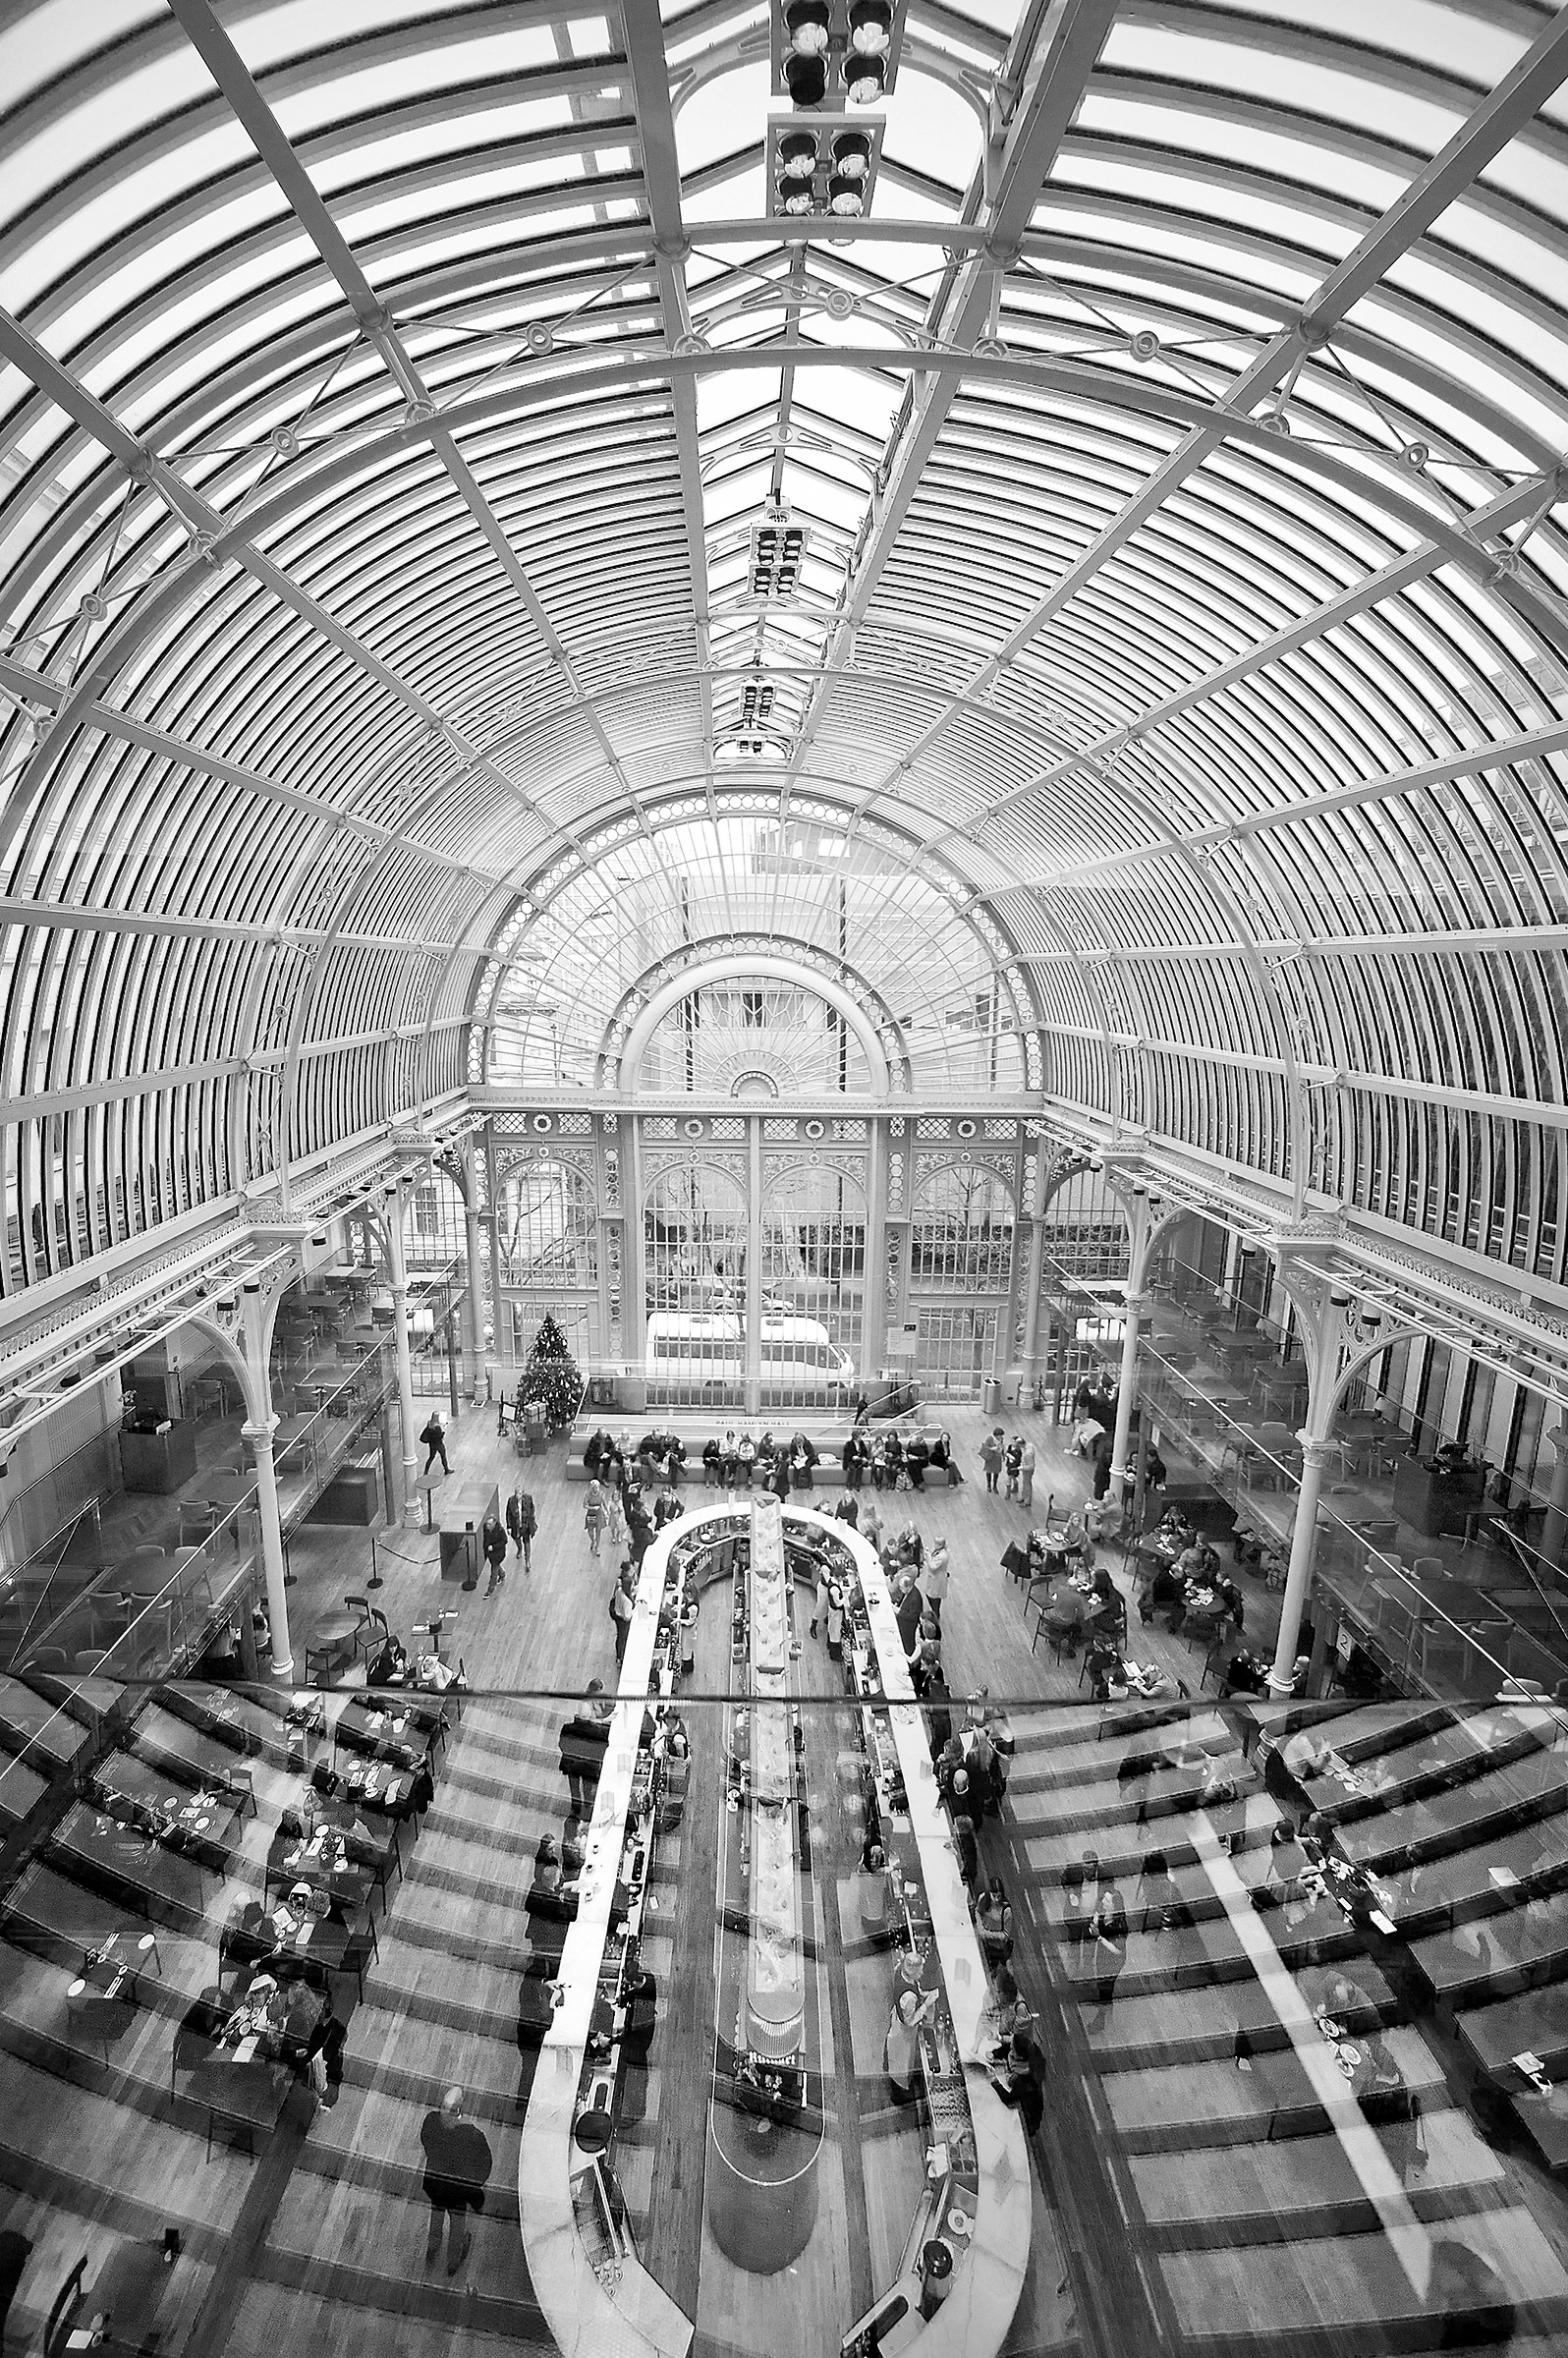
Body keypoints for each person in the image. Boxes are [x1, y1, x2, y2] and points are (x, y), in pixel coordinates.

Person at [420, 2086, 492, 2274]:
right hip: (457, 2191)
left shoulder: (431, 2121)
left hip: (435, 2184)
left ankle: (433, 2245)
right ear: (460, 2110)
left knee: (436, 2214)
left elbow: (426, 2142)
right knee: (457, 2226)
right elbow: (484, 2166)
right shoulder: (473, 2136)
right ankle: (453, 2262)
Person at [561, 1679, 612, 1817]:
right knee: (585, 1787)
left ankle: (578, 1808)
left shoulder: (568, 1729)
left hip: (573, 1763)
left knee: (577, 1787)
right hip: (583, 1764)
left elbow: (562, 1744)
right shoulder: (592, 1732)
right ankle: (585, 1808)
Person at [884, 1987, 936, 2104]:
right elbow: (909, 2021)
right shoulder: (909, 1998)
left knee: (898, 2066)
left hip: (898, 2032)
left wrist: (923, 1993)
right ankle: (898, 2097)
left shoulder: (905, 1977)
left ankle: (899, 2089)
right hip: (902, 2037)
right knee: (900, 2068)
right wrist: (925, 2005)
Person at [1089, 1883, 1127, 2006]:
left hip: (1113, 1961)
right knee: (1100, 1976)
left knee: (1106, 1984)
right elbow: (1096, 1924)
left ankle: (1105, 2005)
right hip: (1103, 1954)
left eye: (1107, 1900)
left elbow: (1118, 1950)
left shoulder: (1119, 1927)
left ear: (1114, 1907)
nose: (1103, 1901)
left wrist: (1099, 1937)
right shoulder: (1104, 1912)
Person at [506, 1480, 537, 1573]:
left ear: (523, 1493)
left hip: (525, 1525)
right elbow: (508, 1513)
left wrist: (530, 1519)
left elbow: (532, 1508)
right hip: (516, 1525)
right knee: (517, 1539)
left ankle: (527, 1560)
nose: (517, 1495)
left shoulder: (528, 1499)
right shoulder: (511, 1501)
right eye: (516, 1493)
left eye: (519, 1493)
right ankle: (519, 1548)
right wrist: (509, 1526)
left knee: (527, 1542)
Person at [609, 1564, 635, 1664]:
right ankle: (620, 1656)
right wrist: (634, 1611)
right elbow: (627, 1617)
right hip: (622, 1619)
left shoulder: (620, 1590)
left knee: (620, 1636)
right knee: (622, 1636)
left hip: (616, 1613)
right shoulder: (627, 1601)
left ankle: (619, 1655)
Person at [923, 1537, 949, 1629]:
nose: (934, 1546)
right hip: (935, 1578)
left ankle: (935, 1616)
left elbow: (933, 1566)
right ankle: (935, 1614)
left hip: (937, 1579)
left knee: (933, 1597)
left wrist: (927, 1556)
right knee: (932, 1596)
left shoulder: (942, 1556)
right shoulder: (940, 1551)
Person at [481, 1512, 508, 1597]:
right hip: (490, 1553)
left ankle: (490, 1590)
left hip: (498, 1554)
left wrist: (494, 1547)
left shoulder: (500, 1531)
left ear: (494, 1523)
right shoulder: (485, 1528)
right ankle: (502, 1574)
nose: (487, 1526)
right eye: (487, 1524)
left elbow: (504, 1541)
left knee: (494, 1572)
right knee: (495, 1566)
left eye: (489, 1524)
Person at [420, 1410, 450, 1477]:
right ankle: (446, 1469)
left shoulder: (429, 1424)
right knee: (443, 1456)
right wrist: (444, 1430)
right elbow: (440, 1436)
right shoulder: (437, 1427)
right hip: (439, 1444)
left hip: (432, 1444)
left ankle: (426, 1472)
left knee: (431, 1457)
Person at [584, 1477, 607, 1558]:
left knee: (598, 1531)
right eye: (594, 1487)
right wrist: (592, 1508)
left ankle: (597, 1547)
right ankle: (592, 1541)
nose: (596, 1489)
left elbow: (604, 1503)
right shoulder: (587, 1495)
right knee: (590, 1531)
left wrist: (607, 1512)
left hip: (599, 1514)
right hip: (591, 1514)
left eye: (597, 1487)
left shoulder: (601, 1494)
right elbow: (584, 1505)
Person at [980, 1428, 1003, 1493]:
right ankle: (989, 1485)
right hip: (990, 1457)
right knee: (989, 1471)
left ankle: (995, 1486)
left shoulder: (1001, 1439)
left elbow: (1001, 1445)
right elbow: (985, 1446)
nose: (1000, 1437)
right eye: (999, 1435)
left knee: (996, 1472)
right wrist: (992, 1448)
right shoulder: (989, 1438)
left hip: (997, 1457)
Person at [1019, 1434, 1036, 1509]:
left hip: (1027, 1470)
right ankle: (1023, 1497)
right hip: (1026, 1469)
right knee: (1024, 1483)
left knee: (1027, 1484)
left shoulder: (1027, 1454)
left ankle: (1027, 1501)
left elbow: (1031, 1466)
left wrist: (1022, 1467)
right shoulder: (1030, 1445)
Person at [1003, 1434, 1023, 1498]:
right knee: (1013, 1477)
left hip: (1014, 1466)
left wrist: (1011, 1457)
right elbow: (1007, 1453)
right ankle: (1015, 1486)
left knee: (1009, 1477)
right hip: (1009, 1464)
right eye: (1012, 1441)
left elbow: (1018, 1459)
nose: (1012, 1443)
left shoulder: (1018, 1450)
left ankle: (1008, 1493)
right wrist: (1007, 1455)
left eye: (1014, 1442)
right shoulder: (1010, 1446)